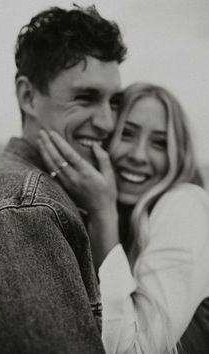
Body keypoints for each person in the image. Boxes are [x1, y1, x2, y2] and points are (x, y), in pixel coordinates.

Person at [0, 5, 127, 353]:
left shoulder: (38, 193)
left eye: (113, 101)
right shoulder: (23, 207)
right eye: (85, 97)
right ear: (28, 96)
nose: (106, 122)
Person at [38, 82, 209, 353]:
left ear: (178, 153)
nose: (139, 156)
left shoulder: (184, 203)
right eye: (127, 134)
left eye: (159, 143)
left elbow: (137, 349)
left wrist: (103, 212)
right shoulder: (110, 216)